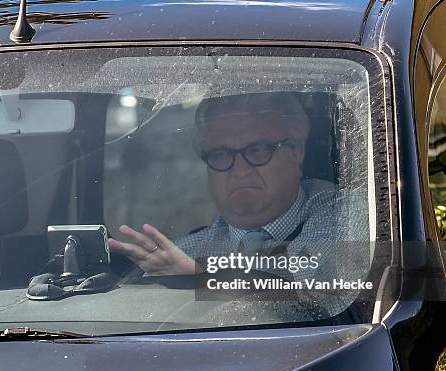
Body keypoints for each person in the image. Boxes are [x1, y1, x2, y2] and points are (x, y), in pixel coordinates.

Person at [107, 92, 337, 278]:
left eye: (256, 150)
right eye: (221, 154)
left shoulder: (341, 213)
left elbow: (318, 287)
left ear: (297, 151)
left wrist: (197, 278)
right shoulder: (183, 254)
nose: (239, 169)